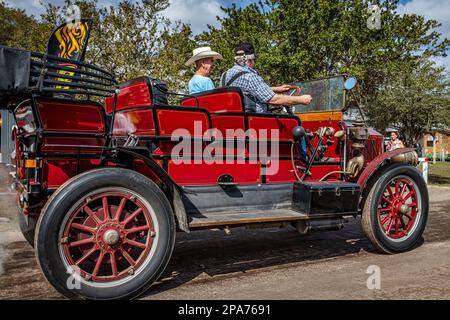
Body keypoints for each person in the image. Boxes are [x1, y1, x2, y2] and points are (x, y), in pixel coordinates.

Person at [220, 43, 312, 113]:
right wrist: (301, 99)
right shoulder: (250, 76)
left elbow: (246, 90)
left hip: (234, 123)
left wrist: (276, 89)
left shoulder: (224, 76)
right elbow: (274, 100)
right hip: (256, 123)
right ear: (250, 60)